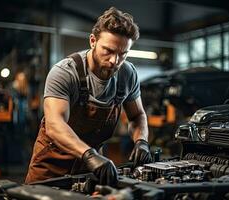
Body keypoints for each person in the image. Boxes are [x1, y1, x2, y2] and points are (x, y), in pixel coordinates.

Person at [25, 7, 152, 186]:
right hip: (51, 168)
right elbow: (55, 125)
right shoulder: (65, 72)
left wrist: (141, 141)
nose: (114, 61)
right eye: (108, 50)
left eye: (122, 54)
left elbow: (137, 115)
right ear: (93, 41)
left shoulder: (127, 74)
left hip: (91, 168)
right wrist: (90, 155)